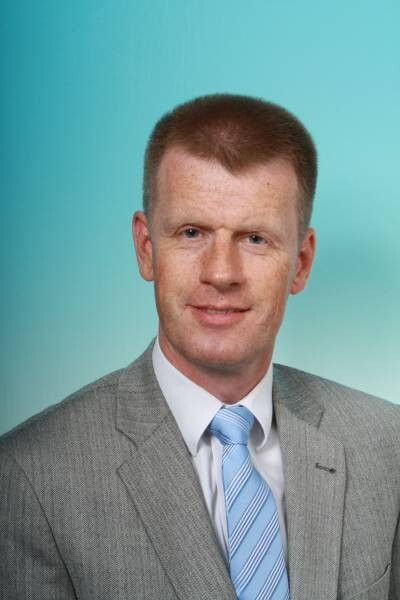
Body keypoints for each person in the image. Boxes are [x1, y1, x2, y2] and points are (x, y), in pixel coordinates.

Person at [0, 94, 399, 600]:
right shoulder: (31, 477)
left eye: (255, 238)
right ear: (147, 248)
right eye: (192, 233)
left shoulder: (388, 446)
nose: (221, 273)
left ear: (300, 263)